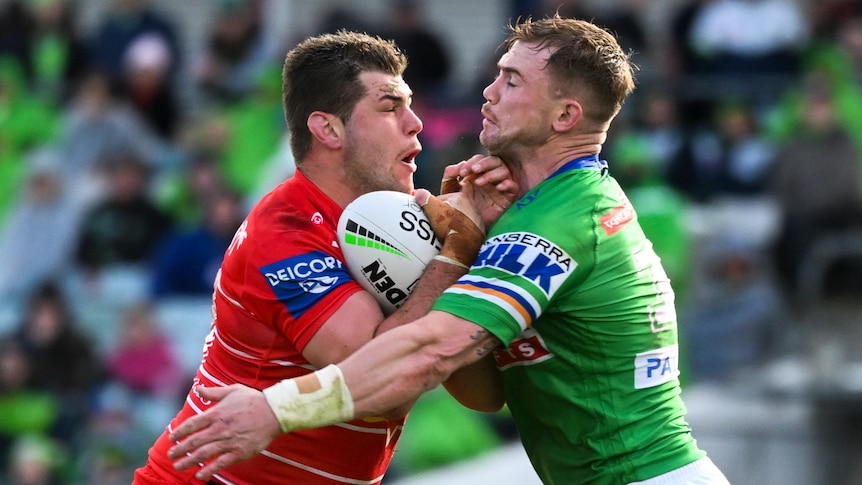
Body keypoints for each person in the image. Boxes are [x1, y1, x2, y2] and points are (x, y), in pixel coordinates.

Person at [168, 16, 732, 485]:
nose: (486, 92)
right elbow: (479, 385)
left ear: (565, 117)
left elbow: (431, 355)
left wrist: (274, 409)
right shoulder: (538, 211)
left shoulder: (555, 223)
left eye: (511, 81)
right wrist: (458, 247)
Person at [132, 30, 516, 485]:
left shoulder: (402, 219)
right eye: (390, 106)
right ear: (328, 129)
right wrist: (455, 254)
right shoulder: (285, 228)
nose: (415, 122)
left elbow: (483, 392)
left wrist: (483, 243)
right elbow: (382, 377)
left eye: (410, 105)